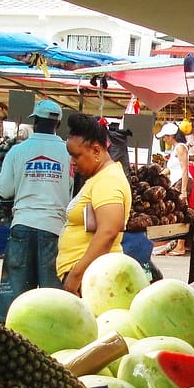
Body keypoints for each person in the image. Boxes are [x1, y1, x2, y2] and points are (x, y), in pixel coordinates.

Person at [0, 98, 72, 321]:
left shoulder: (18, 151)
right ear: (57, 124)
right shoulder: (69, 154)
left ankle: (8, 337)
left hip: (23, 226)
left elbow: (4, 189)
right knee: (52, 298)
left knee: (15, 296)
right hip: (55, 230)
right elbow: (74, 192)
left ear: (35, 121)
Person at [56, 113, 132, 295]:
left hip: (93, 281)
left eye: (76, 156)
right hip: (89, 278)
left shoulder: (109, 181)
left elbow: (108, 232)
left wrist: (76, 275)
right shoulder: (99, 178)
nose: (72, 162)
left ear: (96, 151)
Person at [154, 122, 190, 256]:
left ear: (171, 136)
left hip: (182, 182)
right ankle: (178, 244)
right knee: (178, 213)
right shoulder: (175, 148)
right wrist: (157, 174)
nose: (164, 140)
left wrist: (184, 191)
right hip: (176, 181)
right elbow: (171, 169)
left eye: (165, 137)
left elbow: (185, 169)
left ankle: (181, 246)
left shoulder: (181, 148)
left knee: (181, 213)